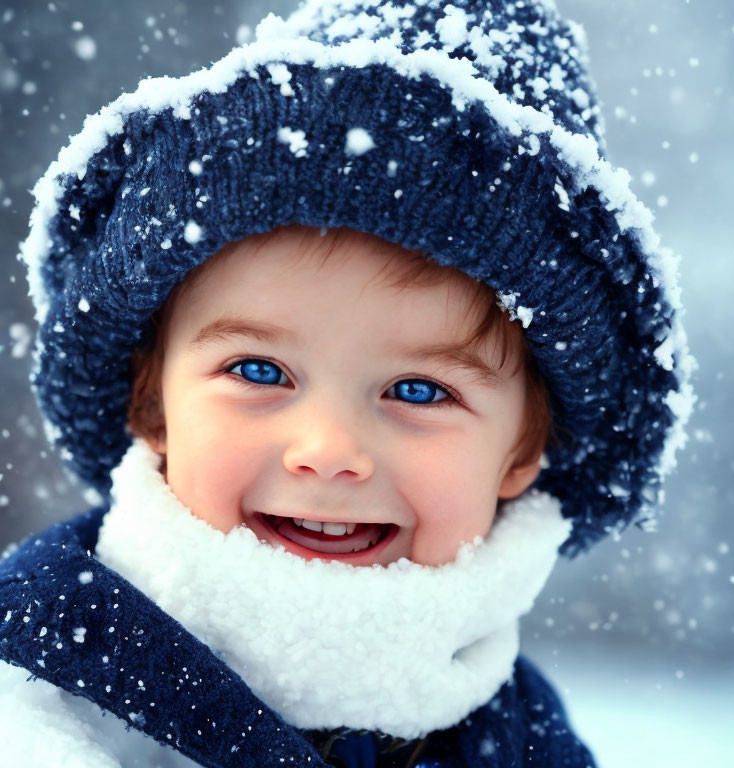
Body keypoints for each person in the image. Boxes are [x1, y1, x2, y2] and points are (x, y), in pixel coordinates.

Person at [0, 1, 695, 766]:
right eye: (259, 372)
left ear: (522, 450)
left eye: (421, 391)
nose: (329, 451)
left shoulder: (521, 739)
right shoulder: (36, 691)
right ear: (152, 402)